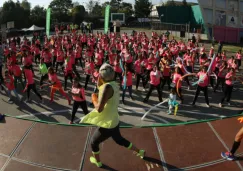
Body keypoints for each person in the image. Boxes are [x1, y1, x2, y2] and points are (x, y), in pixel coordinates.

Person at [80, 63, 145, 168]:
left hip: (107, 124)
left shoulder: (106, 88)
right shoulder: (114, 84)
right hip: (114, 120)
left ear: (101, 77)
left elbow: (99, 109)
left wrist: (93, 98)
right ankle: (139, 151)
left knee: (93, 142)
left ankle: (98, 162)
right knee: (120, 140)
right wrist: (99, 79)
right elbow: (101, 86)